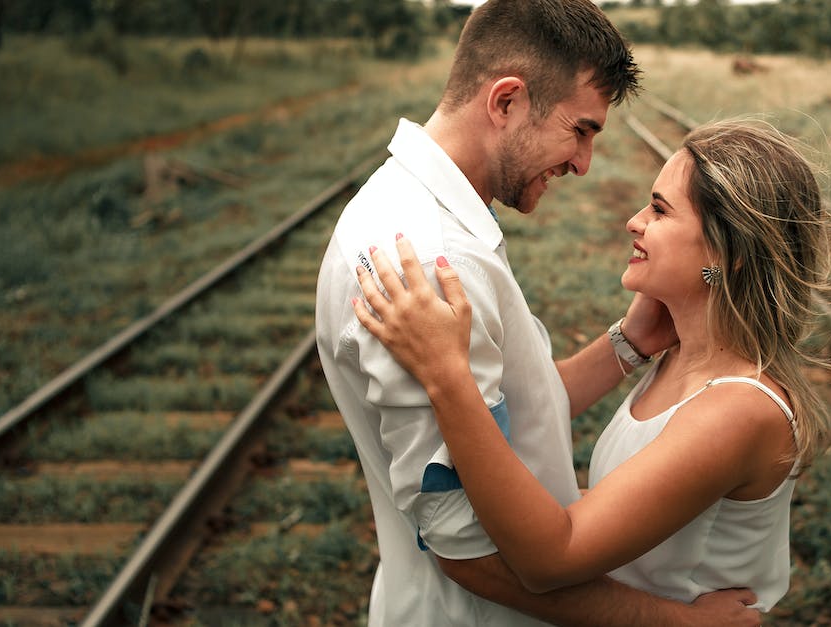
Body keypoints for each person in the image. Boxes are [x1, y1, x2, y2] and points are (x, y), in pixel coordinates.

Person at [315, 0, 761, 625]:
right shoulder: (434, 262)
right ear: (505, 102)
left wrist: (626, 344)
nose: (582, 163)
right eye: (580, 130)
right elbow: (466, 549)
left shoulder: (404, 204)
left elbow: (504, 417)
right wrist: (679, 622)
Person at [351, 118, 831, 613]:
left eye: (659, 209)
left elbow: (551, 559)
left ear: (727, 251)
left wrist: (447, 375)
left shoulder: (737, 410)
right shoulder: (681, 358)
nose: (635, 221)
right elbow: (545, 412)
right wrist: (629, 343)